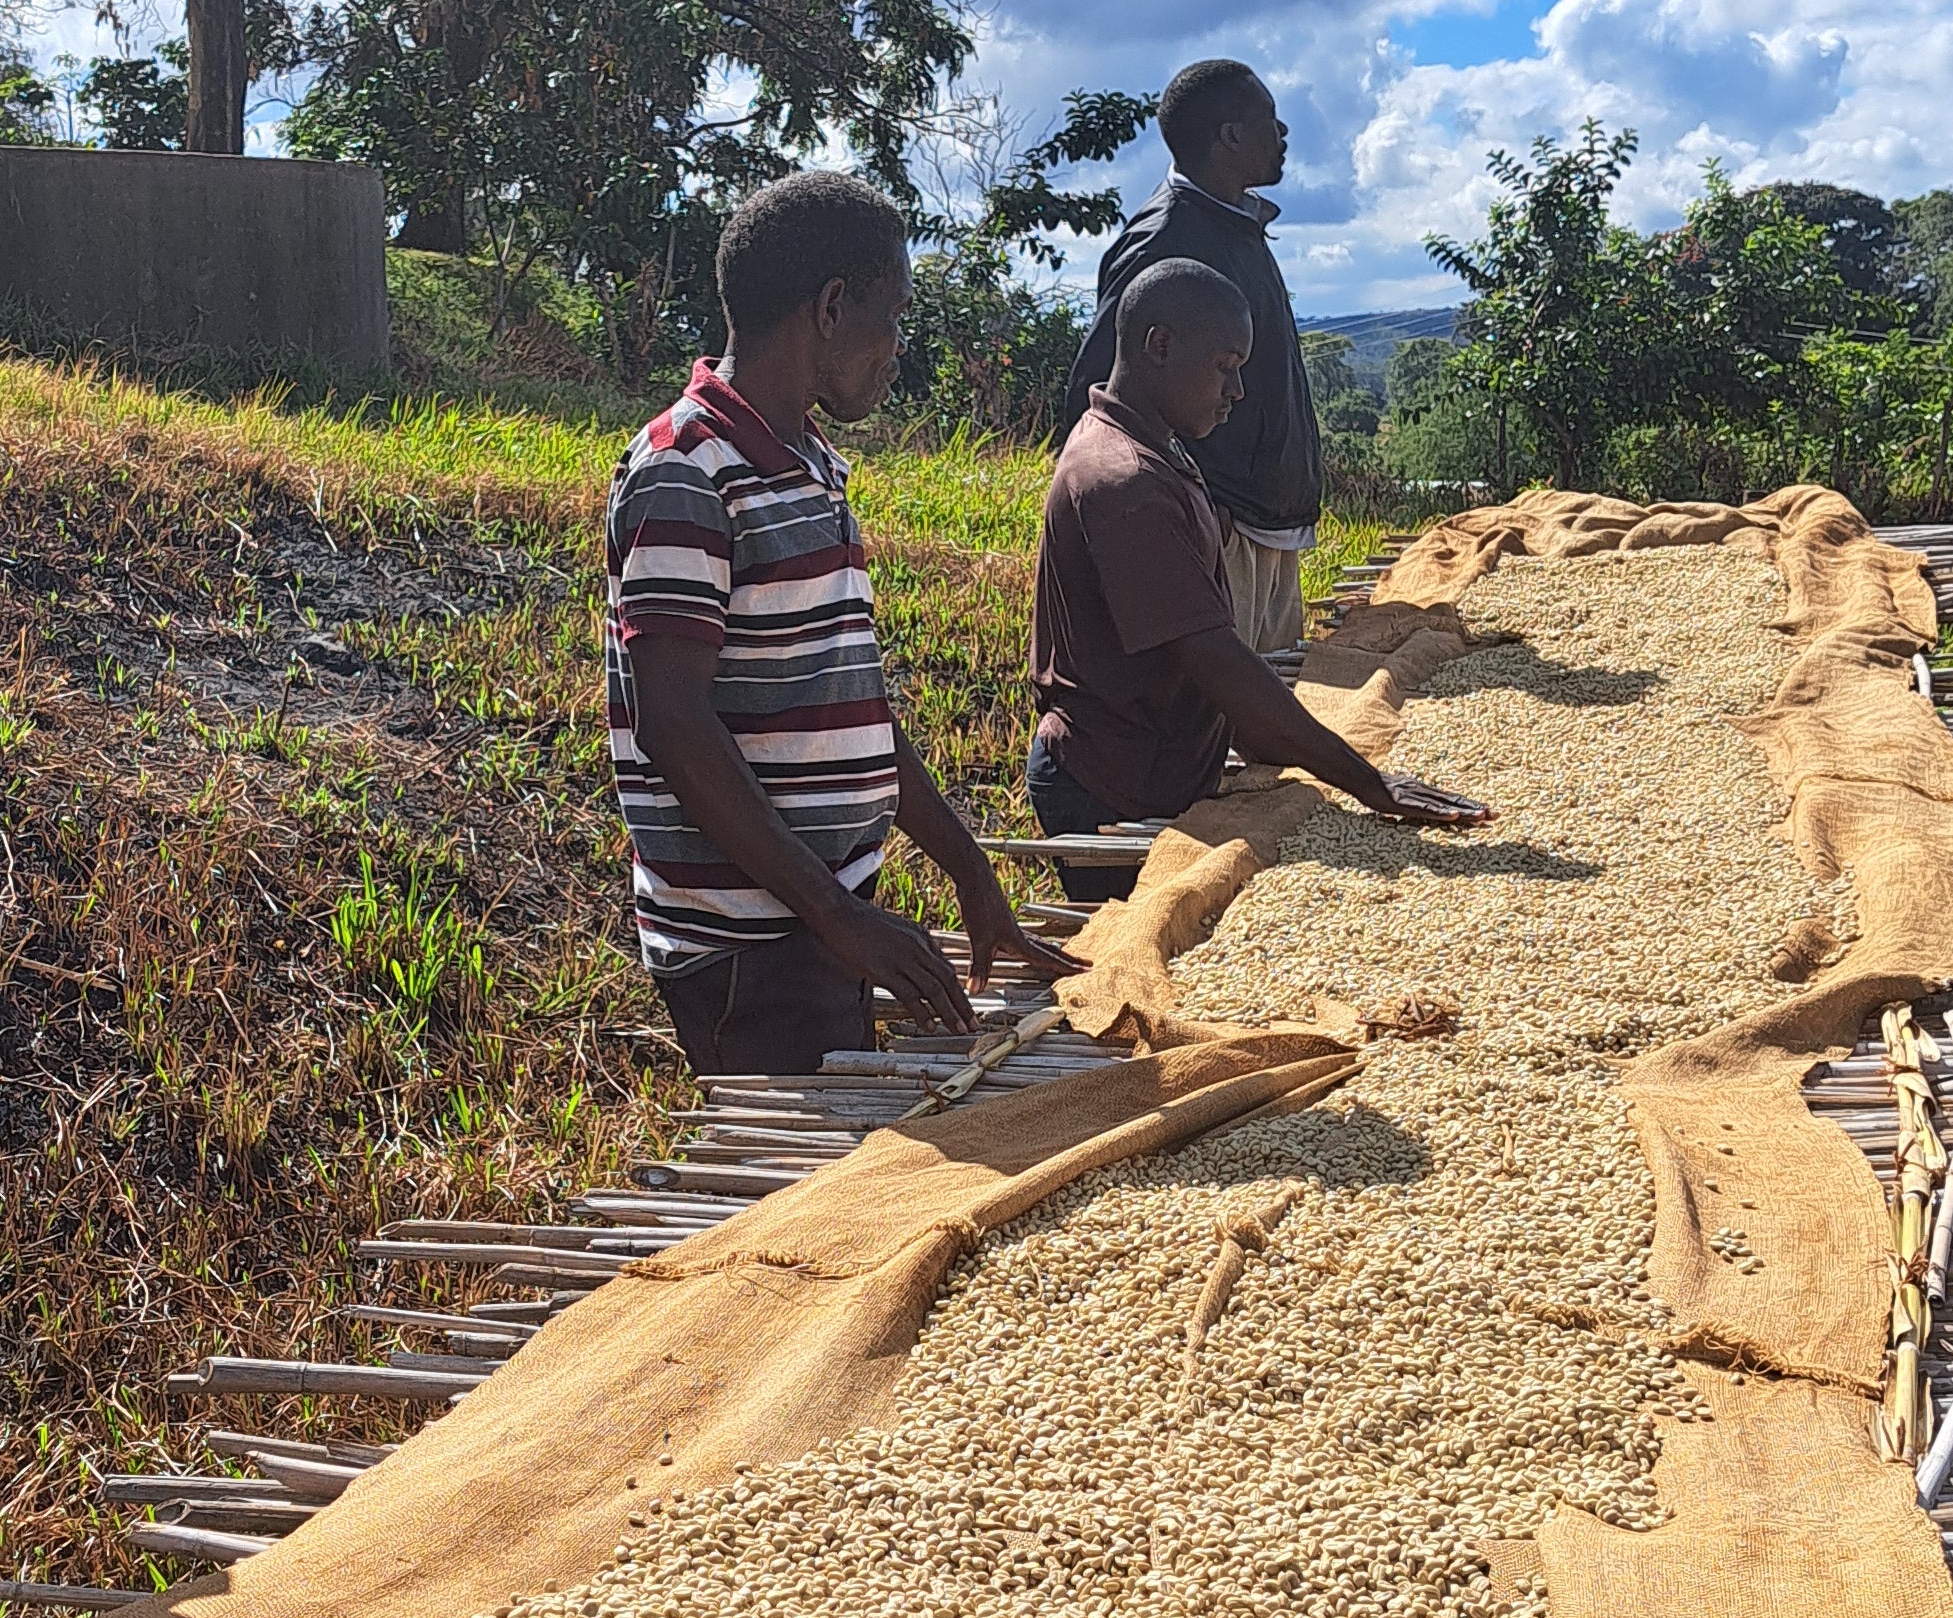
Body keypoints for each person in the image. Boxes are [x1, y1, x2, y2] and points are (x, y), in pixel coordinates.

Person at [607, 168, 1069, 1075]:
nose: (897, 345)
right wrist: (836, 915)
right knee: (800, 1199)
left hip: (819, 922)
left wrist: (968, 872)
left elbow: (845, 704)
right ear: (829, 308)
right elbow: (674, 724)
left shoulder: (810, 463)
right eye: (891, 317)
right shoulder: (685, 473)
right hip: (749, 946)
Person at [1032, 259, 1481, 894]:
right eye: (1224, 366)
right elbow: (1215, 661)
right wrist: (1367, 782)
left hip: (1153, 762)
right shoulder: (1121, 481)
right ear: (1158, 346)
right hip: (1112, 785)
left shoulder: (1154, 444)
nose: (1237, 390)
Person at [1069, 58, 1323, 656]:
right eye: (1270, 119)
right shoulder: (1167, 238)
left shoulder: (1234, 225)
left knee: (1269, 725)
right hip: (1221, 532)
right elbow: (1099, 396)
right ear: (1230, 136)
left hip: (1269, 531)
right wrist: (1195, 509)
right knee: (1217, 721)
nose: (1283, 134)